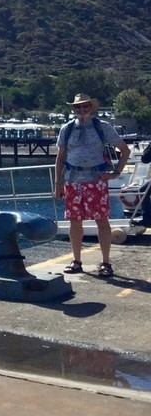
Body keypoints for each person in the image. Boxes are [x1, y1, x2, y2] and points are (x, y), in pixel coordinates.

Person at [55, 93, 130, 278]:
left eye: (85, 106)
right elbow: (60, 157)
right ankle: (76, 261)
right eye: (77, 107)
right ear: (73, 109)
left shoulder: (102, 127)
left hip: (96, 182)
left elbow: (125, 150)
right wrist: (59, 183)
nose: (81, 109)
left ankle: (106, 263)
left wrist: (116, 173)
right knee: (74, 221)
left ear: (91, 107)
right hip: (73, 181)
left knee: (102, 221)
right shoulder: (67, 129)